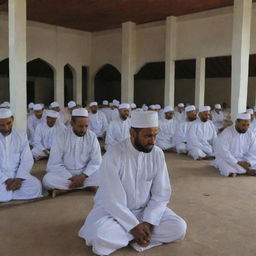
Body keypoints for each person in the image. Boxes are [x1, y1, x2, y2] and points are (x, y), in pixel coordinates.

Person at [78, 111, 187, 255]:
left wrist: (148, 221)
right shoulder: (114, 154)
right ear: (133, 133)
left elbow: (161, 193)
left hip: (145, 210)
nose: (153, 141)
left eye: (155, 135)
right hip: (115, 213)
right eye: (147, 136)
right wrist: (133, 227)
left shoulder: (157, 153)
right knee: (101, 235)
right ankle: (140, 236)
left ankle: (136, 236)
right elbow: (112, 199)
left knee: (179, 227)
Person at [42, 108, 102, 198]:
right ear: (72, 124)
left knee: (105, 174)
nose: (84, 129)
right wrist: (71, 178)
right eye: (80, 126)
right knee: (47, 180)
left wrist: (83, 176)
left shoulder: (92, 136)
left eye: (86, 126)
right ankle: (85, 186)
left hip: (85, 174)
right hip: (65, 174)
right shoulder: (61, 136)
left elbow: (96, 161)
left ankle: (66, 188)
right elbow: (55, 163)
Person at [0, 109, 42, 202]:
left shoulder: (21, 136)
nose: (6, 128)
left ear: (12, 119)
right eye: (1, 125)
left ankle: (7, 194)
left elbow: (27, 159)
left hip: (17, 175)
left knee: (36, 185)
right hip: (1, 177)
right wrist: (6, 180)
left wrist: (18, 179)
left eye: (8, 123)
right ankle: (11, 193)